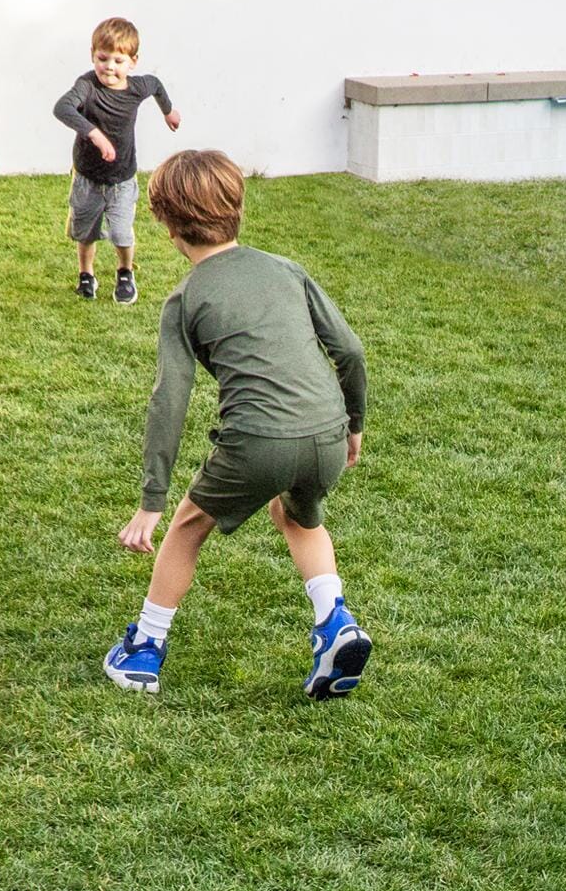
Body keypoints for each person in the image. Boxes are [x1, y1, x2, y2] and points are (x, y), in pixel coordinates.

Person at [105, 149, 371, 700]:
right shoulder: (285, 269)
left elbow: (169, 399)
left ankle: (143, 650)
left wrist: (152, 500)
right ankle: (335, 622)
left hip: (257, 439)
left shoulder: (185, 297)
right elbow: (349, 350)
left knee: (187, 526)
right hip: (325, 430)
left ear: (168, 226)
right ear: (237, 209)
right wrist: (353, 424)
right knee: (297, 515)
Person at [52, 16, 181, 305]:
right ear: (92, 55)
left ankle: (125, 271)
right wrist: (94, 134)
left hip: (121, 179)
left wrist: (168, 112)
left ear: (132, 62)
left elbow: (157, 85)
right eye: (103, 58)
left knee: (121, 233)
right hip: (87, 177)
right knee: (85, 231)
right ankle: (86, 275)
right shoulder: (87, 86)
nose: (110, 66)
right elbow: (62, 107)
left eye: (118, 60)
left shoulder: (137, 87)